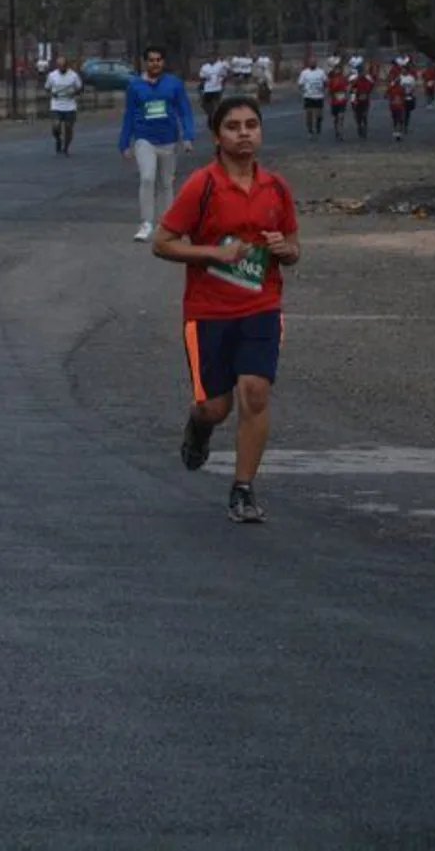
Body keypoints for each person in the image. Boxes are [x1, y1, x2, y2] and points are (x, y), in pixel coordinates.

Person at [152, 96, 300, 524]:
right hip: (208, 313)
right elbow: (162, 243)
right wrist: (212, 255)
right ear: (218, 136)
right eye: (233, 126)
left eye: (252, 125)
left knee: (255, 392)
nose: (244, 133)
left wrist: (285, 250)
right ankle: (199, 428)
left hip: (261, 307)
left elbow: (293, 245)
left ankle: (243, 487)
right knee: (215, 408)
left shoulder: (276, 188)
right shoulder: (203, 185)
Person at [118, 46, 198, 242]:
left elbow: (184, 111)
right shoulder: (135, 86)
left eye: (159, 60)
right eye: (151, 60)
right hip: (144, 139)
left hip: (168, 140)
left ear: (163, 62)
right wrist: (124, 142)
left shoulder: (174, 84)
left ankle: (167, 224)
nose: (155, 63)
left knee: (166, 183)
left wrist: (188, 136)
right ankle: (146, 223)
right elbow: (128, 115)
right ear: (146, 62)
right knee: (147, 178)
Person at [45, 55, 84, 155]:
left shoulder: (73, 76)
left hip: (70, 106)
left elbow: (80, 88)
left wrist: (74, 93)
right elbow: (47, 88)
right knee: (56, 126)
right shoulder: (52, 75)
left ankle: (66, 148)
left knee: (68, 127)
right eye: (59, 66)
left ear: (67, 66)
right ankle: (58, 139)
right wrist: (52, 93)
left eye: (63, 66)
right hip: (56, 105)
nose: (61, 68)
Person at [296, 56, 327, 137]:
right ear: (309, 63)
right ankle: (310, 129)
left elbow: (325, 82)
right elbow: (300, 84)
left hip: (319, 96)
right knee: (309, 114)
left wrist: (323, 89)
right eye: (311, 62)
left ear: (316, 63)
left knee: (319, 114)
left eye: (314, 62)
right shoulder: (304, 73)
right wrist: (303, 90)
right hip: (308, 96)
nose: (312, 63)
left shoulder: (321, 72)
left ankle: (318, 125)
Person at [198, 56, 228, 121]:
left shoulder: (220, 66)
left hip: (217, 88)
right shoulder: (205, 67)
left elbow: (225, 76)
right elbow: (201, 78)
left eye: (212, 57)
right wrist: (202, 86)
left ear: (215, 58)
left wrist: (223, 86)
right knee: (205, 104)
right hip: (208, 89)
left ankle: (217, 116)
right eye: (209, 57)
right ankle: (211, 114)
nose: (210, 59)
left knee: (217, 103)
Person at [351, 62, 375, 139]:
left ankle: (364, 128)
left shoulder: (368, 79)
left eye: (363, 71)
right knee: (358, 116)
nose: (362, 73)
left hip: (365, 100)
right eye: (361, 72)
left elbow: (371, 86)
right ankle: (359, 126)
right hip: (357, 100)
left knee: (364, 115)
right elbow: (351, 90)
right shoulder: (354, 79)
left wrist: (367, 93)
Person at [326, 63, 349, 141]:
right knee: (336, 118)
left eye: (339, 69)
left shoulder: (344, 79)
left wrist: (346, 96)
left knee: (341, 117)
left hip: (342, 101)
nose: (338, 71)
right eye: (336, 69)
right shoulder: (332, 80)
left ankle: (341, 133)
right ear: (334, 70)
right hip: (334, 101)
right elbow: (329, 90)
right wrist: (330, 97)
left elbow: (347, 89)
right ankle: (336, 131)